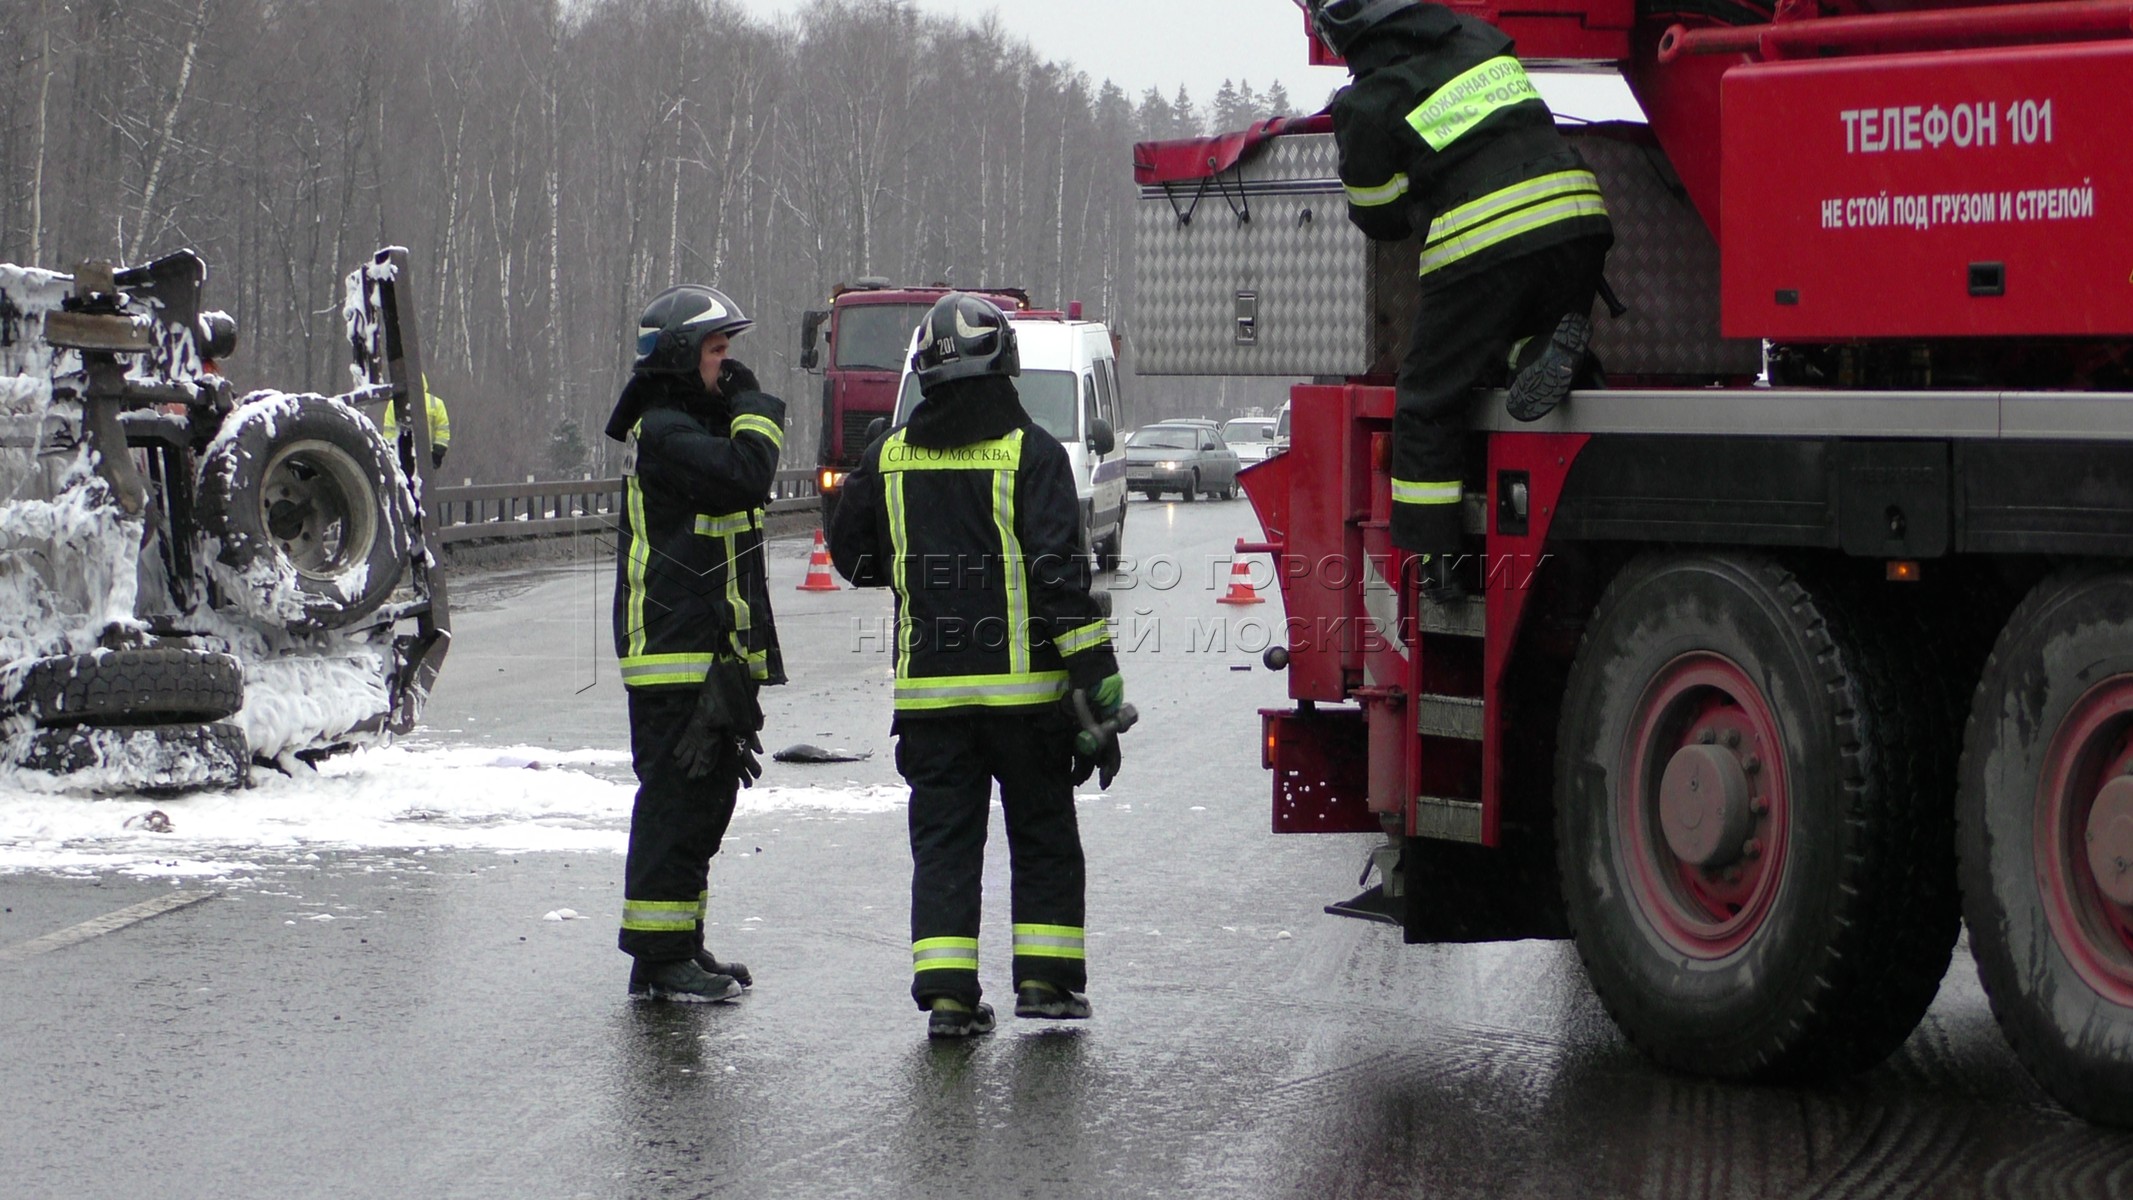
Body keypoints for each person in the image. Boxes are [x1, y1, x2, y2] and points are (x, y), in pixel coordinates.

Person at [828, 293, 1125, 1039]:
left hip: (930, 702)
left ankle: (949, 997)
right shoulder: (1034, 455)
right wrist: (1098, 683)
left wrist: (915, 567)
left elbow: (852, 556)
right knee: (1043, 835)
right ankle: (1047, 985)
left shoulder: (887, 455)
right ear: (1005, 368)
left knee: (944, 846)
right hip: (1026, 703)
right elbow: (1059, 580)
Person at [1310, 0, 1614, 581]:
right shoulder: (1477, 38)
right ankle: (1550, 350)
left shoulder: (1368, 103)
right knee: (1511, 342)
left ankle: (1436, 555)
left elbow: (1382, 217)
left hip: (1490, 245)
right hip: (1579, 222)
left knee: (1427, 398)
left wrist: (1409, 176)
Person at [604, 283, 787, 1003]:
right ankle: (656, 958)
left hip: (706, 651)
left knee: (704, 805)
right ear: (682, 356)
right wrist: (755, 407)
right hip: (674, 654)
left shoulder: (686, 424)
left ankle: (679, 944)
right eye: (717, 352)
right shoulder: (668, 433)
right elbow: (748, 473)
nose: (727, 364)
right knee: (676, 807)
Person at [382, 376, 452, 468]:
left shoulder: (394, 404)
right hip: (413, 456)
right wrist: (438, 452)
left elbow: (389, 432)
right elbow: (442, 431)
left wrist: (437, 453)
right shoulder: (435, 403)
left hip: (423, 457)